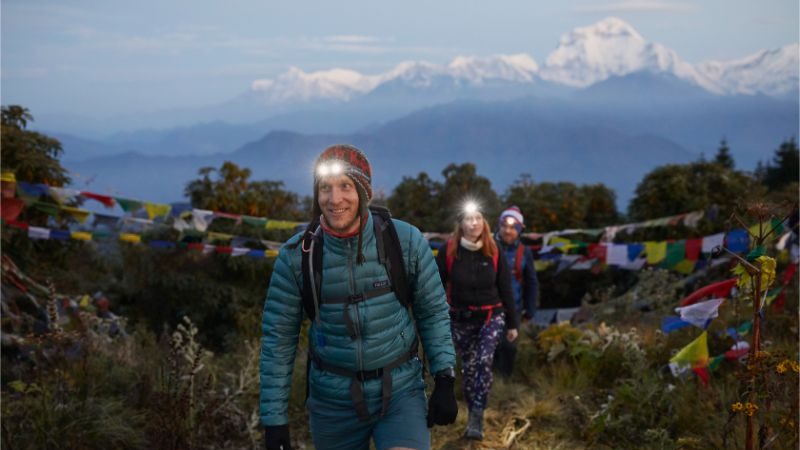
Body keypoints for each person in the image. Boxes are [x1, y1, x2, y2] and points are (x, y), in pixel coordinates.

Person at [259, 144, 458, 450]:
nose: (334, 199)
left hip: (400, 392)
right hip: (332, 402)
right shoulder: (297, 256)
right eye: (325, 188)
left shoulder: (404, 242)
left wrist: (444, 378)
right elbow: (278, 339)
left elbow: (432, 312)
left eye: (345, 186)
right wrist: (274, 419)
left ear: (364, 193)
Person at [435, 201, 518, 440]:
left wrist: (512, 324)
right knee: (470, 370)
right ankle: (473, 411)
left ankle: (477, 416)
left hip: (491, 317)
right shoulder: (448, 251)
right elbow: (437, 287)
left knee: (483, 361)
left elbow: (505, 287)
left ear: (484, 222)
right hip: (460, 320)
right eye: (469, 219)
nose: (474, 224)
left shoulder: (494, 250)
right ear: (461, 224)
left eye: (478, 219)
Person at [493, 206, 539, 378]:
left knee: (509, 347)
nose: (507, 231)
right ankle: (486, 384)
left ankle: (503, 383)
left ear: (519, 230)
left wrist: (530, 309)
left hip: (513, 307)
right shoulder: (488, 247)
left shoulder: (524, 252)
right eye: (504, 226)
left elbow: (532, 282)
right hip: (488, 306)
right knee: (491, 346)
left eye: (513, 227)